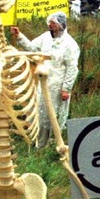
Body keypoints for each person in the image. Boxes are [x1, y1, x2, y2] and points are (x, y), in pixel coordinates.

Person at [10, 11, 80, 148]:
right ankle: (40, 145)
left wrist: (66, 88)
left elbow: (72, 68)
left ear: (61, 25)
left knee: (55, 114)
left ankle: (57, 144)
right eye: (49, 22)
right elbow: (32, 48)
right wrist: (19, 36)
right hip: (43, 82)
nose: (50, 25)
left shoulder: (70, 44)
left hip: (58, 84)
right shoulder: (45, 38)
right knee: (41, 113)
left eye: (53, 23)